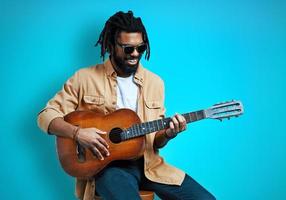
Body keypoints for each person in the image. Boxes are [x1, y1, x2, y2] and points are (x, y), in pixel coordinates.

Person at [37, 11, 216, 200]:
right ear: (111, 46)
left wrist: (169, 133)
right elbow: (46, 115)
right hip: (107, 168)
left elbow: (157, 140)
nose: (135, 54)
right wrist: (78, 133)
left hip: (150, 165)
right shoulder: (84, 78)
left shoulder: (155, 83)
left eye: (141, 47)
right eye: (128, 49)